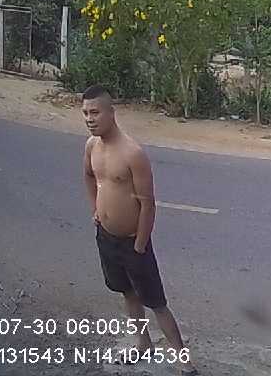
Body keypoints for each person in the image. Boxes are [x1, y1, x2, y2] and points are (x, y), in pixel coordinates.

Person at [81, 84, 197, 375]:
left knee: (156, 301)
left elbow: (148, 203)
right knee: (128, 293)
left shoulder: (133, 153)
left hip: (134, 242)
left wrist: (140, 243)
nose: (90, 119)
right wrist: (95, 209)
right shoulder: (91, 146)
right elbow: (89, 176)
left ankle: (183, 359)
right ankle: (143, 343)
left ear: (111, 113)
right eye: (85, 113)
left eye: (95, 112)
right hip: (106, 238)